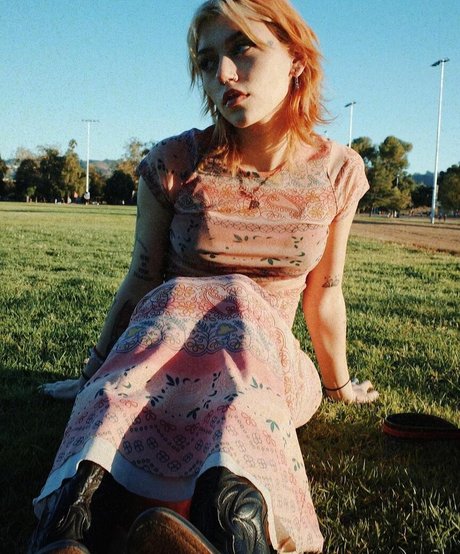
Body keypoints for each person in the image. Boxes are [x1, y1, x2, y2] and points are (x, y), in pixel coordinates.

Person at [33, 0, 379, 552]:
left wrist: (340, 387)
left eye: (242, 49)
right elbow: (142, 279)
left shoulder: (338, 172)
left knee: (240, 300)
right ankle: (69, 527)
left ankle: (235, 529)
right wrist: (95, 373)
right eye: (207, 61)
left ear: (296, 58)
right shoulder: (175, 162)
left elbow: (325, 292)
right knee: (162, 323)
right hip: (160, 357)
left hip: (266, 367)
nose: (223, 74)